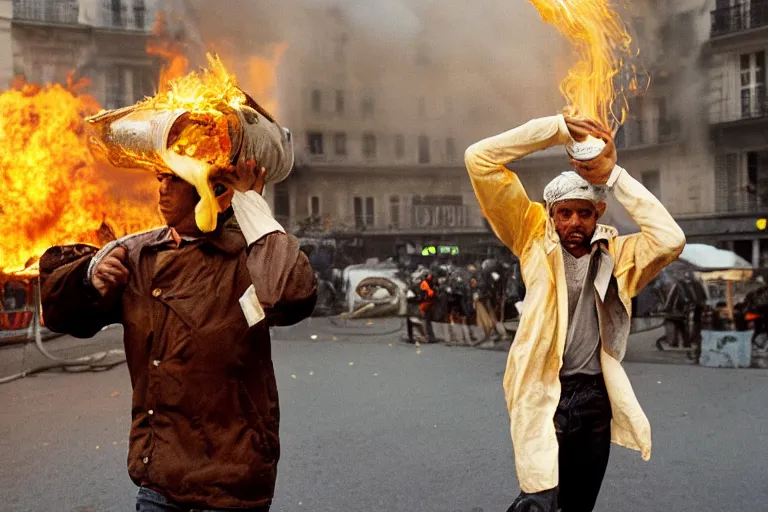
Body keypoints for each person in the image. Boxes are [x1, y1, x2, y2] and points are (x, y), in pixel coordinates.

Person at [39, 159, 317, 512]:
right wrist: (88, 277)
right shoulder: (139, 255)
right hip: (160, 480)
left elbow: (292, 293)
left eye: (175, 178)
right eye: (161, 177)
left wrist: (251, 206)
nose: (162, 187)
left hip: (232, 481)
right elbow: (60, 313)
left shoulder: (248, 255)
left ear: (214, 190)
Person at [465, 115, 686, 512]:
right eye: (564, 213)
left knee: (579, 506)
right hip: (543, 392)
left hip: (593, 399)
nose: (574, 223)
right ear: (550, 214)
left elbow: (671, 239)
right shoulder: (530, 236)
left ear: (598, 212)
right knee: (539, 500)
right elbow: (478, 158)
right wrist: (557, 129)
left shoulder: (618, 255)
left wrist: (613, 174)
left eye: (584, 213)